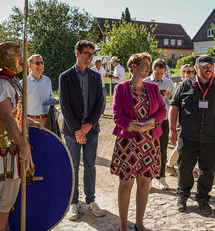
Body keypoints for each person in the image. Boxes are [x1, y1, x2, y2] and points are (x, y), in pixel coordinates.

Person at [169, 55, 215, 215]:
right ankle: (182, 196)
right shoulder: (185, 85)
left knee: (207, 171)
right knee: (185, 169)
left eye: (210, 65)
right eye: (204, 66)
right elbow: (173, 107)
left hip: (213, 138)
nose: (208, 68)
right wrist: (173, 129)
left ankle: (203, 198)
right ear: (196, 68)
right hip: (188, 137)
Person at [0, 41, 42, 231]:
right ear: (5, 57)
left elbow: (15, 114)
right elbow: (6, 118)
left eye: (21, 54)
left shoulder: (10, 81)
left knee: (9, 197)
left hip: (12, 147)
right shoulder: (1, 82)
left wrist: (28, 122)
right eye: (16, 55)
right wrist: (23, 144)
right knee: (5, 199)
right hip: (8, 149)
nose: (21, 58)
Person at [110, 52, 167, 231]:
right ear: (134, 67)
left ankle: (139, 224)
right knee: (126, 185)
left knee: (144, 184)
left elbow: (163, 110)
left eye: (149, 65)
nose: (148, 69)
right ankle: (123, 227)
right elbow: (117, 116)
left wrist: (152, 122)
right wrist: (135, 126)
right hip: (128, 144)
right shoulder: (121, 89)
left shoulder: (152, 88)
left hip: (149, 143)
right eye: (145, 65)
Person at [59, 40, 105, 221]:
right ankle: (73, 204)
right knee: (73, 167)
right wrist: (78, 130)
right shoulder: (66, 77)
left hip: (91, 130)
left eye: (92, 54)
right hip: (72, 131)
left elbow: (101, 102)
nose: (90, 57)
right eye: (86, 53)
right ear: (77, 54)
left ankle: (91, 201)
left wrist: (89, 126)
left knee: (90, 166)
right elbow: (65, 106)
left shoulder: (95, 76)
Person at [143, 58, 175, 190]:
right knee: (147, 149)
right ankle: (148, 178)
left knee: (162, 149)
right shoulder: (145, 82)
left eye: (161, 74)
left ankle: (161, 177)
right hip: (148, 121)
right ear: (152, 70)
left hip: (163, 121)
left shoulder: (168, 83)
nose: (159, 76)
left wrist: (169, 95)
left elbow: (174, 101)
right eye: (157, 73)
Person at [166, 64, 196, 176]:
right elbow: (173, 106)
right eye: (186, 71)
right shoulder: (180, 86)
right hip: (181, 120)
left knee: (185, 145)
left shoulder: (195, 85)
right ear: (181, 73)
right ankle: (188, 169)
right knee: (184, 145)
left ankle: (171, 165)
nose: (189, 74)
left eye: (191, 72)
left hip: (191, 120)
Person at [20, 54, 56, 127]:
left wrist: (52, 100)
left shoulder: (47, 80)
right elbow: (19, 105)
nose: (40, 65)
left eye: (42, 63)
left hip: (47, 121)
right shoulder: (23, 83)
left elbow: (50, 96)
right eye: (37, 63)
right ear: (30, 66)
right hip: (31, 122)